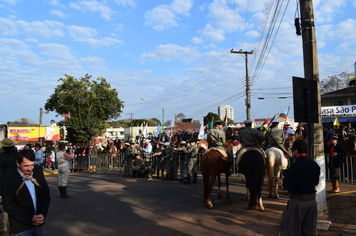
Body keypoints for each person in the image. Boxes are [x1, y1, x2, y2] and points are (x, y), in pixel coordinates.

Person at [2, 149, 51, 235]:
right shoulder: (8, 179)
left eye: (32, 165)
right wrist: (29, 218)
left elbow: (45, 195)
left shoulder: (38, 173)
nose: (30, 169)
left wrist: (42, 215)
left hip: (38, 224)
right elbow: (9, 206)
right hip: (20, 227)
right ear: (18, 163)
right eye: (26, 166)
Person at [280, 139, 320, 236]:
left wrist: (285, 176)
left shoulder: (295, 166)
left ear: (296, 151)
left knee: (292, 230)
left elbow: (288, 186)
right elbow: (316, 182)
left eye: (293, 151)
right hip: (311, 202)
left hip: (297, 203)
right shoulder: (314, 164)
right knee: (310, 231)